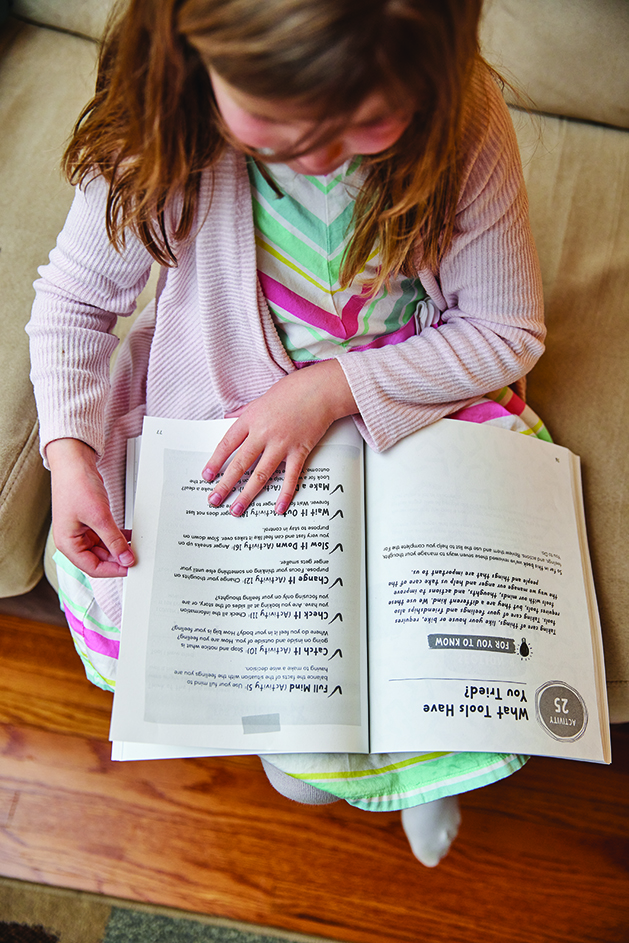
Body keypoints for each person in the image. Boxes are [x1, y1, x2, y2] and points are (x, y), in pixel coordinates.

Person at [27, 0, 546, 867]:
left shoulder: (463, 116)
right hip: (219, 425)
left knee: (435, 666)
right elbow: (74, 305)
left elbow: (504, 332)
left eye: (368, 122)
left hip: (409, 404)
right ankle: (355, 769)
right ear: (192, 59)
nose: (313, 154)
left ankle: (424, 776)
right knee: (301, 748)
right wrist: (67, 453)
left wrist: (330, 390)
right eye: (271, 121)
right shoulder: (164, 121)